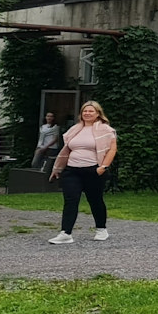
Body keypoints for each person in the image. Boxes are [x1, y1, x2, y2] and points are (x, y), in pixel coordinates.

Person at [49, 101, 117, 244]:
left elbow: (112, 149)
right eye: (85, 111)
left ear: (98, 113)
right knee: (70, 200)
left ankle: (101, 229)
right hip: (72, 170)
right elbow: (66, 150)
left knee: (95, 200)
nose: (87, 114)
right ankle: (66, 233)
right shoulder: (75, 129)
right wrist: (57, 169)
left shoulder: (106, 130)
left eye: (91, 111)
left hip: (93, 170)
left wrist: (103, 167)